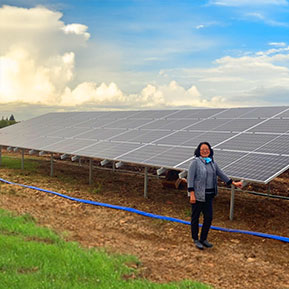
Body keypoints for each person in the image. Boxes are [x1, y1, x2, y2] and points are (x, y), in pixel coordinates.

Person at [187, 142, 242, 250]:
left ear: (210, 151)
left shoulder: (212, 163)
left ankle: (203, 238)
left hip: (209, 196)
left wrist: (233, 183)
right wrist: (191, 194)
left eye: (207, 149)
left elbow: (221, 174)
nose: (205, 151)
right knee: (195, 218)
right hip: (198, 196)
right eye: (202, 149)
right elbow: (190, 179)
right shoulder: (195, 162)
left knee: (208, 218)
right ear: (199, 151)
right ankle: (195, 239)